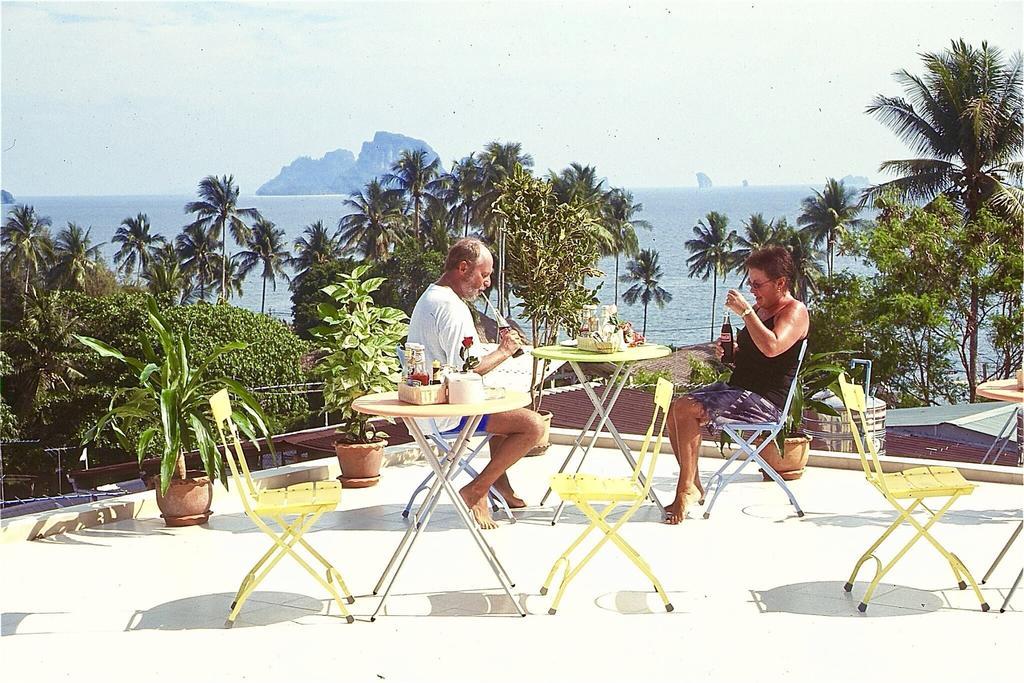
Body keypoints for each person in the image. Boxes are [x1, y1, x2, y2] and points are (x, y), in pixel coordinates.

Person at [407, 237, 545, 529]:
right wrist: (504, 351)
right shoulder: (452, 309)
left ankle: (501, 486)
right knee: (532, 425)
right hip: (447, 412)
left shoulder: (432, 296)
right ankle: (478, 488)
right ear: (463, 268)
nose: (487, 283)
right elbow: (466, 370)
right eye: (484, 275)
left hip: (430, 404)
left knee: (504, 412)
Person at [664, 245, 809, 524]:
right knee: (674, 409)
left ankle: (685, 490)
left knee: (684, 408)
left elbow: (773, 347)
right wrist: (730, 354)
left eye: (758, 284)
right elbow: (754, 355)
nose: (753, 290)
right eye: (751, 283)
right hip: (739, 390)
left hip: (765, 402)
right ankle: (692, 485)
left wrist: (746, 313)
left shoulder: (795, 312)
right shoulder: (761, 309)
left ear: (781, 283)